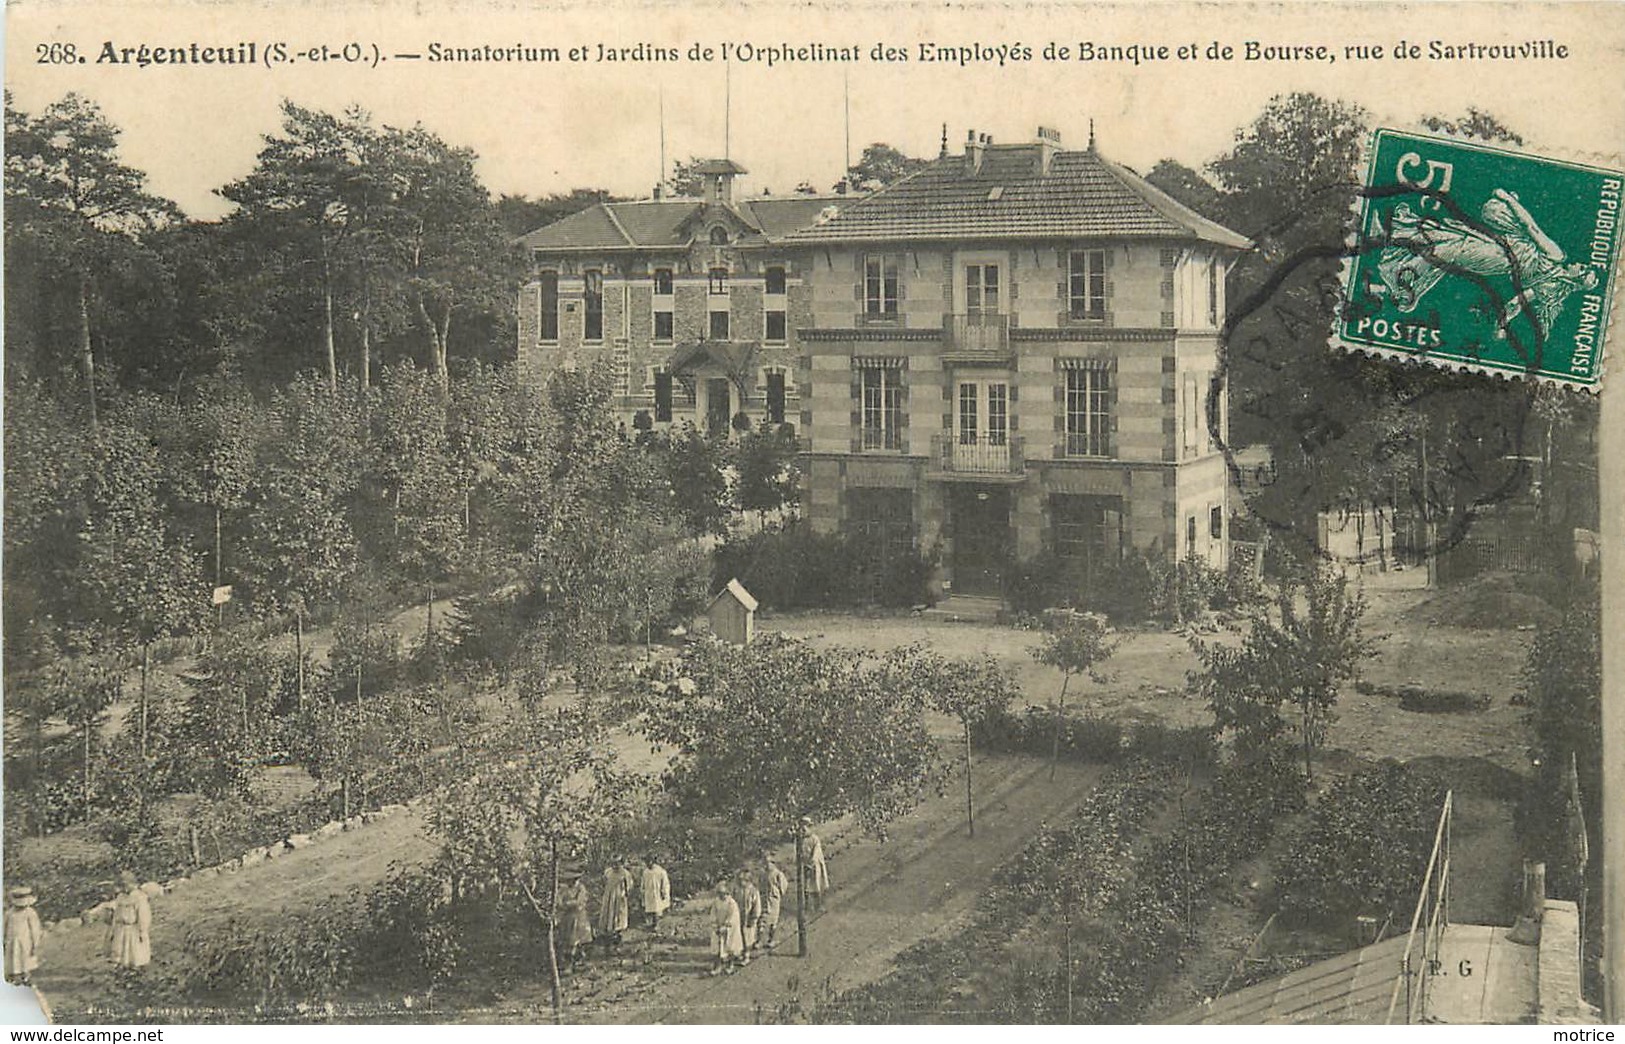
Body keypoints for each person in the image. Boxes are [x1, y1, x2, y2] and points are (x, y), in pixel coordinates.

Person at [107, 871, 151, 970]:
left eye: (126, 885)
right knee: (120, 950)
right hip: (121, 928)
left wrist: (142, 930)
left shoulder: (139, 897)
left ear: (133, 884)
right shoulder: (121, 897)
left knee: (134, 951)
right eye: (122, 886)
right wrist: (113, 929)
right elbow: (117, 914)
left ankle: (135, 969)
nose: (124, 888)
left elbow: (143, 916)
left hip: (133, 928)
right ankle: (122, 967)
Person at [4, 887, 43, 985]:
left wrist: (35, 942)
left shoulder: (30, 912)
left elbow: (35, 928)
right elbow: (4, 926)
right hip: (11, 939)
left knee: (25, 957)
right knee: (13, 956)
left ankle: (25, 976)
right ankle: (15, 976)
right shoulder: (9, 913)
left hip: (25, 939)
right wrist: (4, 939)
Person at [555, 873, 594, 970]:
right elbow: (558, 901)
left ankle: (579, 961)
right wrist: (563, 904)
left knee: (579, 939)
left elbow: (579, 902)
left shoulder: (581, 888)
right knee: (568, 940)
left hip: (579, 916)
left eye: (573, 880)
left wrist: (567, 903)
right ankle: (569, 963)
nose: (571, 882)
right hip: (567, 917)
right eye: (569, 880)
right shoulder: (563, 889)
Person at [597, 857, 632, 951]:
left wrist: (624, 894)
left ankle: (617, 939)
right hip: (609, 895)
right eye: (613, 863)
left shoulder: (625, 873)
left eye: (617, 863)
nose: (615, 866)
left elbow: (629, 886)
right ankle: (607, 937)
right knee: (608, 915)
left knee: (618, 916)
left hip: (619, 896)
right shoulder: (608, 872)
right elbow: (603, 882)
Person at [708, 881, 742, 976]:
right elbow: (713, 914)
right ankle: (718, 966)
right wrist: (715, 925)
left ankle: (730, 965)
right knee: (717, 948)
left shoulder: (732, 903)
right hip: (718, 928)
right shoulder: (716, 902)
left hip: (730, 929)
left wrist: (726, 926)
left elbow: (733, 917)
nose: (721, 896)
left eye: (723, 894)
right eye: (719, 893)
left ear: (727, 893)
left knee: (730, 947)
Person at [759, 853, 789, 951]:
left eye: (769, 863)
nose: (767, 865)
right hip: (765, 898)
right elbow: (760, 885)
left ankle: (770, 940)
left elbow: (783, 885)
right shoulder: (763, 874)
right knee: (763, 918)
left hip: (774, 899)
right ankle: (759, 940)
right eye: (765, 863)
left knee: (774, 919)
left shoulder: (777, 874)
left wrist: (780, 892)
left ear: (773, 863)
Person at [733, 868, 763, 963]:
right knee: (738, 936)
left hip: (748, 918)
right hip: (738, 917)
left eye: (744, 880)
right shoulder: (737, 890)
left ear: (748, 880)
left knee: (747, 937)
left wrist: (754, 918)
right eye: (740, 879)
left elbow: (757, 907)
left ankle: (747, 955)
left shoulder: (753, 891)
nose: (742, 882)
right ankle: (740, 953)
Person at [801, 819, 830, 914]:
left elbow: (816, 853)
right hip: (805, 865)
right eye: (802, 827)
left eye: (805, 827)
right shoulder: (801, 840)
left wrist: (812, 862)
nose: (803, 829)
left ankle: (818, 906)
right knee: (806, 886)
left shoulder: (815, 839)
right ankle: (806, 906)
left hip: (815, 865)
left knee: (816, 885)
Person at [640, 854, 670, 933]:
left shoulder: (660, 871)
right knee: (650, 909)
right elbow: (643, 883)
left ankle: (657, 924)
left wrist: (663, 891)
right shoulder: (645, 872)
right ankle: (652, 923)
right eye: (646, 862)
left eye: (649, 862)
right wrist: (642, 891)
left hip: (657, 892)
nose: (647, 864)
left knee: (657, 908)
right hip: (648, 892)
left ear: (652, 861)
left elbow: (665, 882)